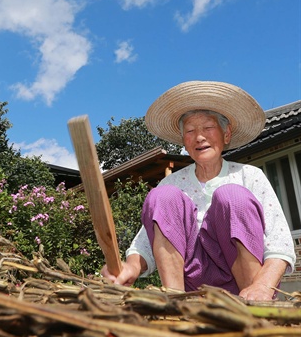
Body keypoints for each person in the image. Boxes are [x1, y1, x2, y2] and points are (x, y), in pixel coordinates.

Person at [101, 81, 296, 301]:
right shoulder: (171, 184)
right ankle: (175, 303)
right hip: (190, 289)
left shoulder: (249, 176)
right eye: (190, 131)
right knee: (163, 196)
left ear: (226, 133)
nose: (199, 137)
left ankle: (254, 306)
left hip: (246, 290)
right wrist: (130, 267)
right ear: (184, 140)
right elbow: (144, 243)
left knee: (232, 196)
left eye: (208, 127)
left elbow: (280, 243)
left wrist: (263, 285)